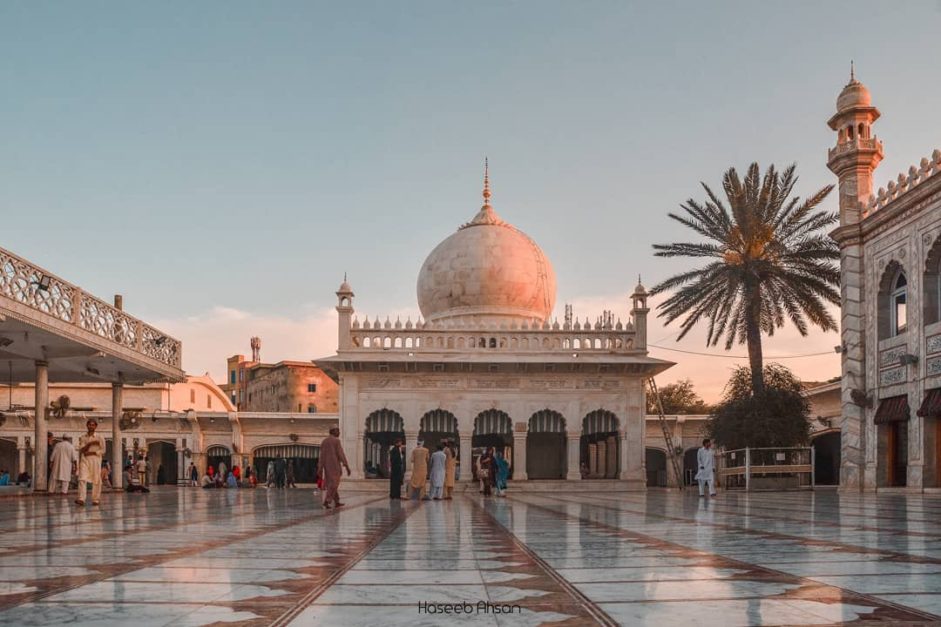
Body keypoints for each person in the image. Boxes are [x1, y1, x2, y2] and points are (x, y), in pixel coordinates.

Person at [317, 427, 351, 508]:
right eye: (337, 431)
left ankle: (337, 501)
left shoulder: (324, 441)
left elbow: (321, 456)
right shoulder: (336, 441)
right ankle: (327, 501)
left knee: (331, 483)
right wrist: (347, 466)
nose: (339, 432)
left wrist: (320, 467)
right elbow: (341, 454)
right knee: (334, 483)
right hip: (334, 465)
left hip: (327, 466)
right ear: (333, 431)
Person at [75, 419, 106, 506]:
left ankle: (95, 499)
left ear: (95, 426)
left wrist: (93, 452)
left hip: (95, 459)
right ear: (87, 425)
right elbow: (82, 450)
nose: (91, 426)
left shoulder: (100, 437)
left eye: (93, 425)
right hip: (85, 459)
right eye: (89, 424)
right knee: (82, 478)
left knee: (96, 479)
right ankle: (81, 498)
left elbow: (103, 451)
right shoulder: (83, 437)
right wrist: (90, 443)